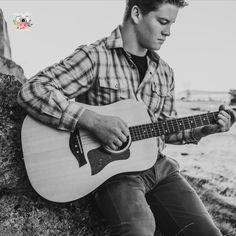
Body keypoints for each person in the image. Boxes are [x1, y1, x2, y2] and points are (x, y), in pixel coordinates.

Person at [18, 0, 236, 235]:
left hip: (159, 167)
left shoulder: (164, 72)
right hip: (113, 173)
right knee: (139, 230)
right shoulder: (95, 56)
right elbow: (34, 89)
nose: (168, 32)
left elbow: (164, 128)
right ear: (136, 14)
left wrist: (203, 130)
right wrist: (91, 120)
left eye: (171, 24)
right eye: (162, 22)